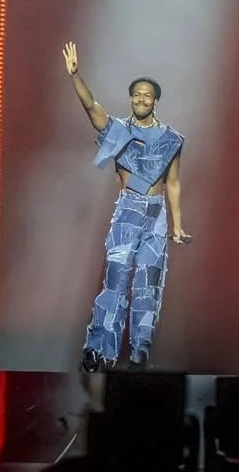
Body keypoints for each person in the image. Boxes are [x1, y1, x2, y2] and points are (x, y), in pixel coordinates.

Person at [64, 41, 190, 371]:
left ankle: (139, 354)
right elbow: (91, 106)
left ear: (155, 100)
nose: (141, 98)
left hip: (157, 215)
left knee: (149, 286)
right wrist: (77, 76)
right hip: (127, 211)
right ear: (131, 98)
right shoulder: (118, 130)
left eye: (147, 94)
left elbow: (173, 182)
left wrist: (177, 225)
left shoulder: (171, 139)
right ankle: (98, 350)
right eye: (137, 94)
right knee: (116, 281)